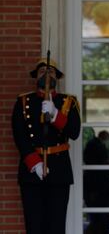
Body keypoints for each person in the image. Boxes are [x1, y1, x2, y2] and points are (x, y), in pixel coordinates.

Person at [12, 58, 81, 234]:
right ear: (36, 76)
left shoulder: (68, 102)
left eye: (51, 71)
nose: (46, 74)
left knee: (56, 225)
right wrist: (34, 163)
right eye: (42, 70)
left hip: (59, 170)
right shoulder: (23, 102)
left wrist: (55, 114)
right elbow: (20, 135)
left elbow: (74, 132)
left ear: (57, 77)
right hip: (31, 171)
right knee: (33, 225)